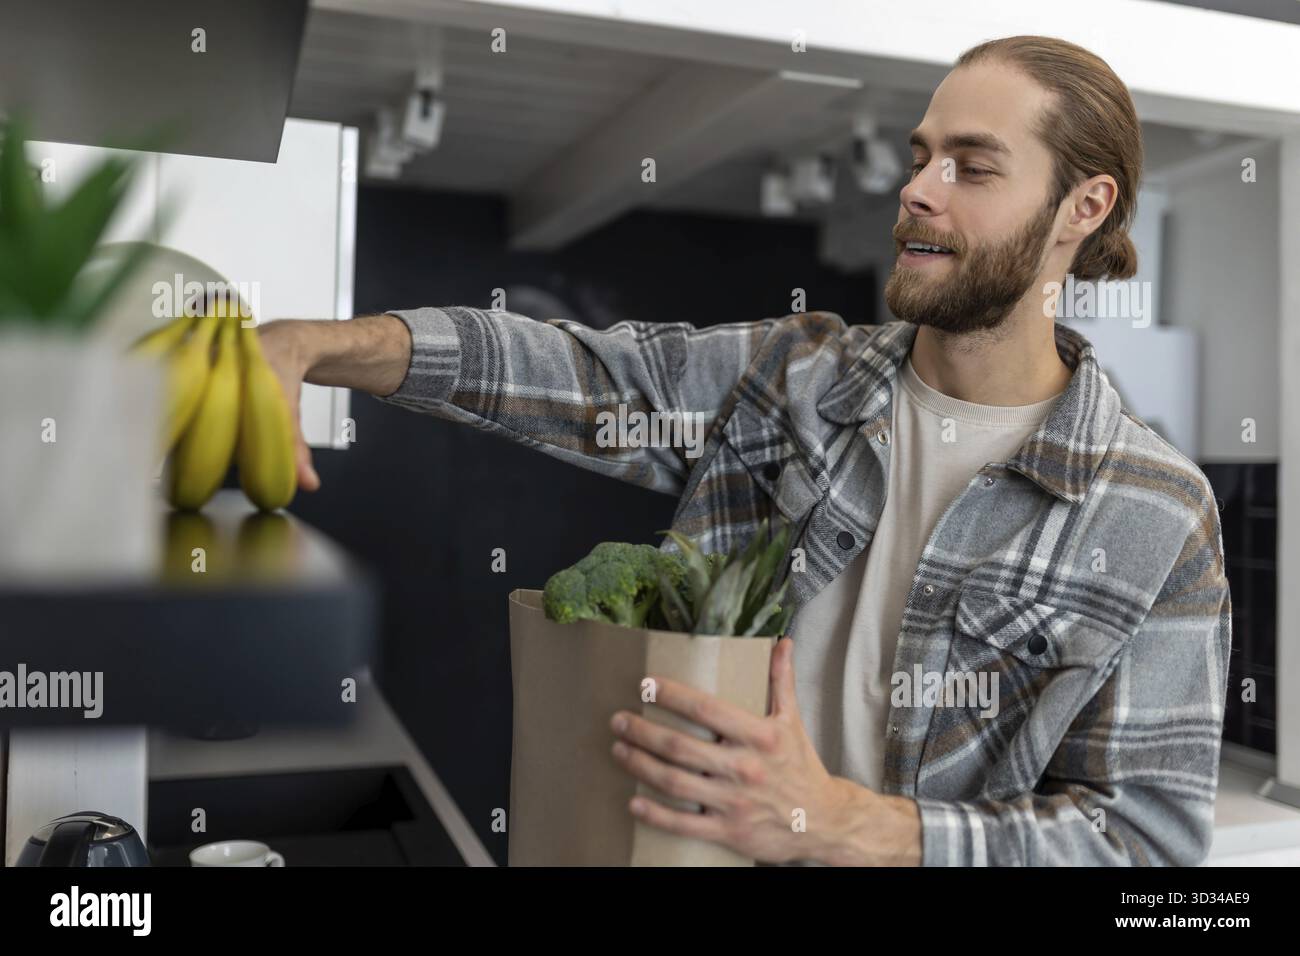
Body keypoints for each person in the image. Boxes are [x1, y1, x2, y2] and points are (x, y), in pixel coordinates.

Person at [256, 35, 1231, 866]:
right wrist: (317, 343)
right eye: (920, 154)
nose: (915, 191)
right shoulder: (795, 377)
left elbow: (1142, 840)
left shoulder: (1154, 509)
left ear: (1083, 208)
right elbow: (586, 375)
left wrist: (846, 823)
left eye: (971, 167)